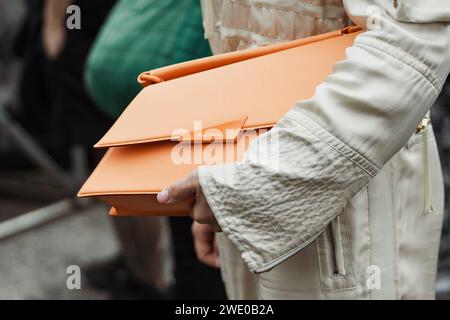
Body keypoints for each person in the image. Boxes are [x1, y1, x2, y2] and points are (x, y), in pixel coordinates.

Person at [157, 0, 450, 299]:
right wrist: (227, 188)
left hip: (347, 204)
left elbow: (414, 32)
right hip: (257, 178)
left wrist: (256, 186)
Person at [84, 0, 226, 300]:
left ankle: (156, 281)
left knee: (199, 226)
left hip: (201, 97)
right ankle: (151, 278)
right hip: (183, 96)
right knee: (190, 219)